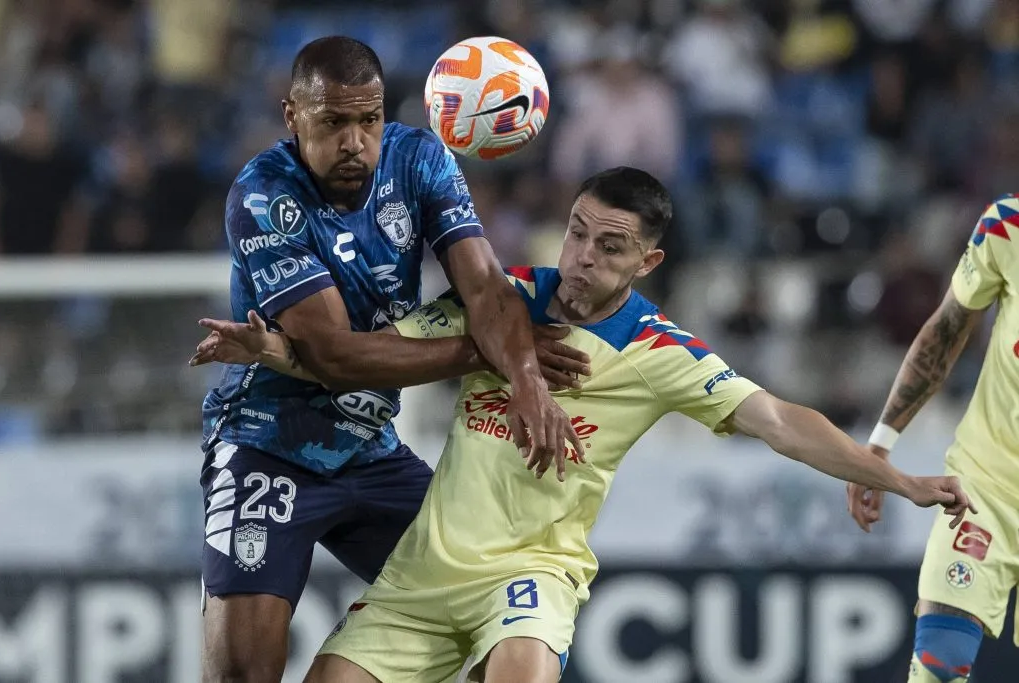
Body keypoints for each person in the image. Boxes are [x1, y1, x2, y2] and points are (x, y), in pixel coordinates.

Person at [194, 167, 976, 683]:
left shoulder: (656, 349)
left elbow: (781, 420)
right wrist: (280, 350)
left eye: (610, 247)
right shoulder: (503, 303)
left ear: (647, 261)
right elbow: (372, 355)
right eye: (576, 231)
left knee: (523, 668)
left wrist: (898, 478)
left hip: (529, 574)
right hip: (419, 582)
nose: (582, 257)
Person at [193, 36, 586, 683]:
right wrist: (481, 350)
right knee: (242, 673)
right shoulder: (264, 195)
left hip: (371, 451)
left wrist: (524, 375)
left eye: (368, 120)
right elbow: (336, 356)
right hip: (267, 447)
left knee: (502, 613)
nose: (355, 141)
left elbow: (485, 288)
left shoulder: (421, 160)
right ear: (293, 117)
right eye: (334, 122)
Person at [846, 194, 1019, 683]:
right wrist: (878, 446)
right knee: (939, 665)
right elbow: (945, 331)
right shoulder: (1008, 226)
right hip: (987, 486)